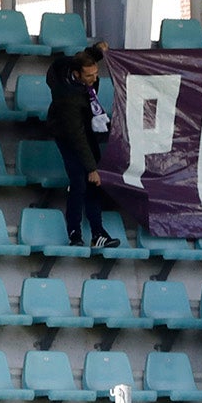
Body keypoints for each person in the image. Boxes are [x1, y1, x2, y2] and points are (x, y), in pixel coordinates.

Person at [45, 41, 121, 249]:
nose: (94, 79)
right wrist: (92, 168)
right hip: (68, 134)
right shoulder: (68, 98)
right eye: (89, 76)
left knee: (94, 183)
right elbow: (77, 136)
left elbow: (84, 56)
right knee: (80, 181)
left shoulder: (74, 66)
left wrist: (96, 51)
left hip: (85, 127)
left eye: (96, 74)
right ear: (77, 75)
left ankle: (98, 234)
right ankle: (75, 234)